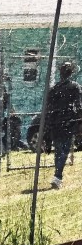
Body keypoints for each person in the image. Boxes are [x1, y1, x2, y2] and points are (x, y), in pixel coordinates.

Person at [45, 61, 82, 189]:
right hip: (67, 122)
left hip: (55, 123)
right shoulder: (74, 87)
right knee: (64, 150)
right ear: (71, 73)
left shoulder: (54, 89)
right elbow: (78, 106)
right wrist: (78, 121)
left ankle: (57, 175)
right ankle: (58, 176)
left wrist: (48, 125)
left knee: (59, 150)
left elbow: (49, 108)